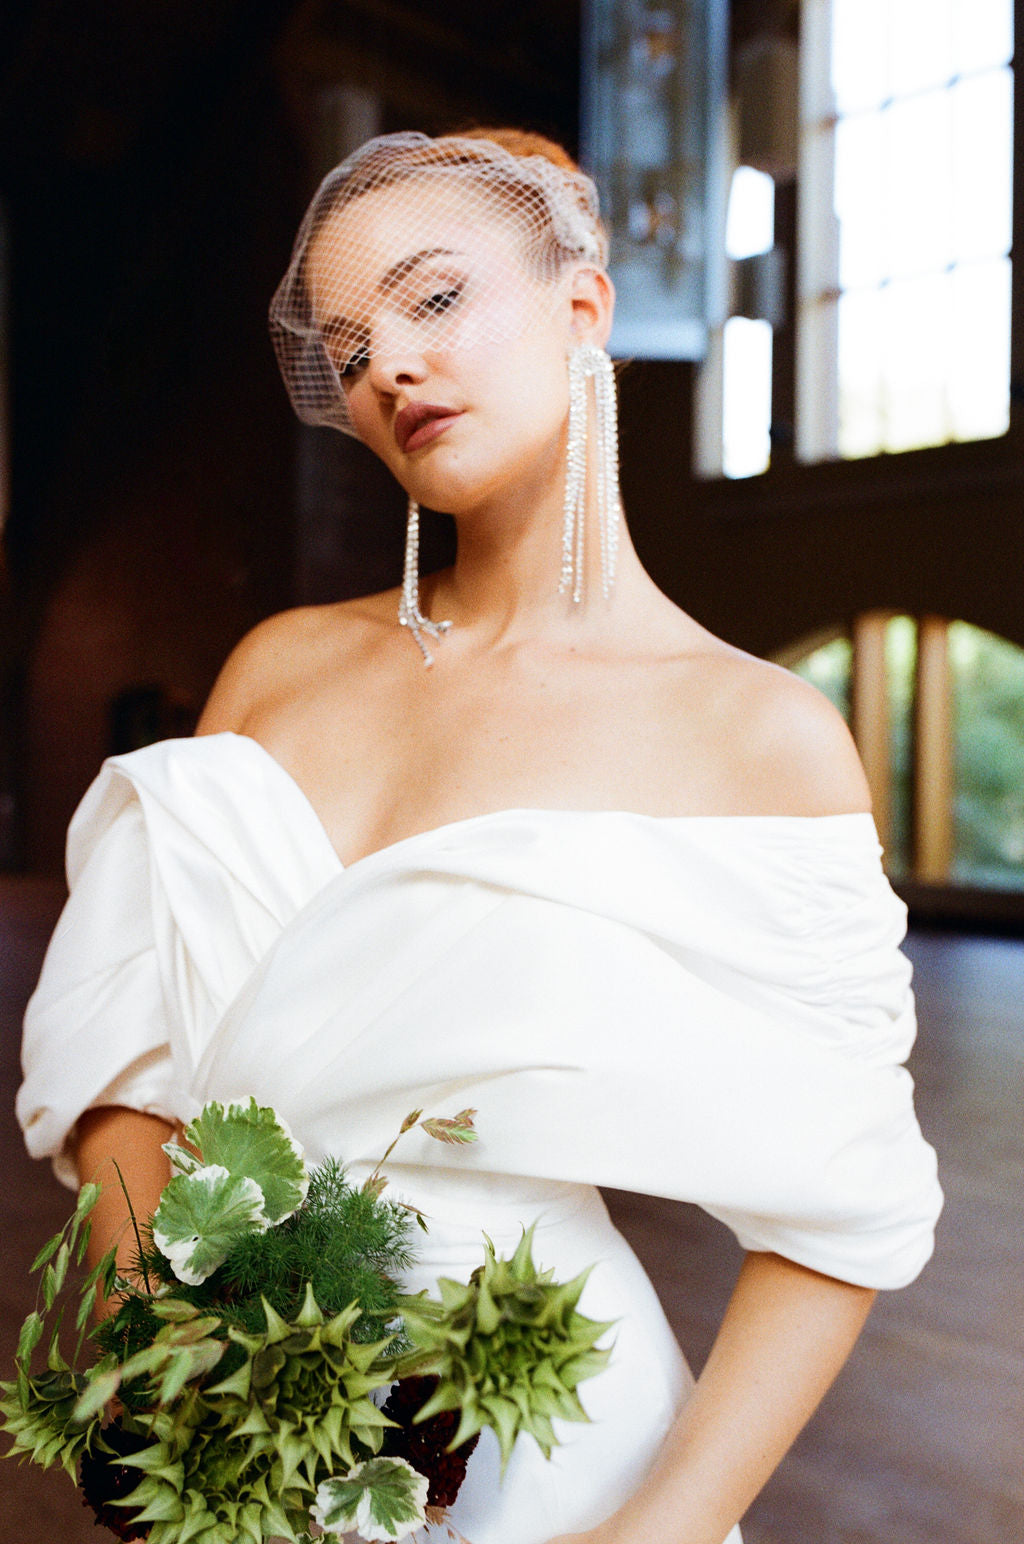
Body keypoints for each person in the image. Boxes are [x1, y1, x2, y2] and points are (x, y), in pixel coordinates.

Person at [18, 129, 942, 1544]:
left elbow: (841, 1216)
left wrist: (664, 1528)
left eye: (434, 298)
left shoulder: (756, 737)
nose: (386, 361)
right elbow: (124, 1051)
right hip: (240, 1446)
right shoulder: (274, 669)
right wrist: (181, 1351)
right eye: (348, 339)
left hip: (560, 1455)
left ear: (584, 308)